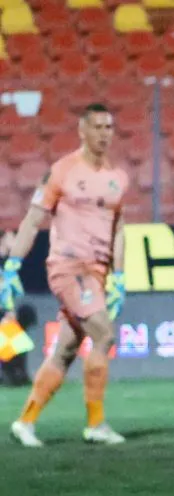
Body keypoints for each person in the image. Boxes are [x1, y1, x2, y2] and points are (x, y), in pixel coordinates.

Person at [3, 103, 129, 447]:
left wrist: (118, 278)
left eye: (110, 127)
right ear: (82, 130)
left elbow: (118, 230)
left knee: (65, 351)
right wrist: (11, 266)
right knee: (104, 335)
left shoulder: (118, 177)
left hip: (97, 272)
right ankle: (96, 424)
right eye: (99, 127)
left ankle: (25, 422)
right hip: (69, 268)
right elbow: (33, 220)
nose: (106, 134)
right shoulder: (62, 171)